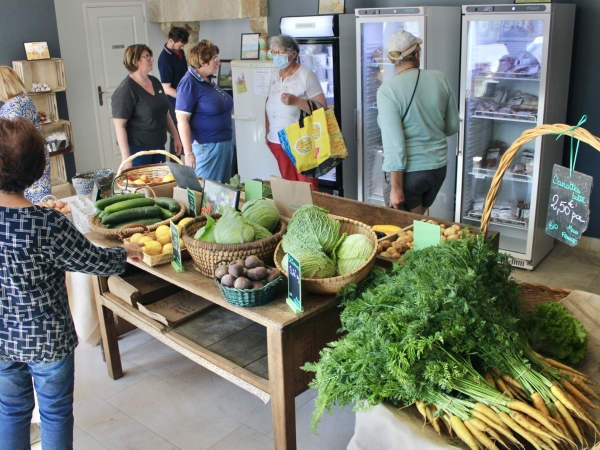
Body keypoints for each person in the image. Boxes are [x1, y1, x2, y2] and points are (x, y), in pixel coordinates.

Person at [0, 118, 144, 450]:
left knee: (10, 412)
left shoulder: (39, 218)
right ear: (37, 166)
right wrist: (123, 253)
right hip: (47, 339)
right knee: (54, 414)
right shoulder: (46, 223)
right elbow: (90, 260)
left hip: (3, 337)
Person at [377, 30, 460, 214]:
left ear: (392, 61)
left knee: (405, 233)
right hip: (437, 170)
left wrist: (396, 188)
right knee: (419, 225)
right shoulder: (439, 78)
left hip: (409, 174)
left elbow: (394, 143)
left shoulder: (388, 91)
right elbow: (452, 126)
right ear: (416, 54)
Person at [265, 35, 327, 191]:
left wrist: (296, 101)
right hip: (277, 140)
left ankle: (310, 214)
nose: (276, 56)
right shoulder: (274, 75)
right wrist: (267, 132)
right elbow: (267, 104)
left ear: (293, 54)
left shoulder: (306, 75)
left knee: (307, 187)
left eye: (280, 52)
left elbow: (322, 108)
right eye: (273, 52)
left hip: (301, 141)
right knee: (289, 186)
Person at [112, 44, 182, 171]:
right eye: (147, 57)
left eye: (151, 56)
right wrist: (126, 157)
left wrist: (176, 137)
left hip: (159, 146)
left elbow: (164, 113)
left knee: (159, 184)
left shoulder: (155, 82)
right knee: (142, 186)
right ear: (134, 61)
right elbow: (119, 126)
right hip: (138, 150)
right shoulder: (125, 90)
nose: (152, 60)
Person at [176, 40, 234, 182]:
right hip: (207, 148)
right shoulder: (188, 83)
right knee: (208, 195)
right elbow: (182, 120)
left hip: (223, 144)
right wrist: (188, 153)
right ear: (202, 62)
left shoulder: (206, 80)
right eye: (214, 58)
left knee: (223, 193)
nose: (218, 62)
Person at [0, 66, 51, 204]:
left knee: (29, 202)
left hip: (22, 160)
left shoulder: (10, 109)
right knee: (42, 200)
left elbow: (10, 140)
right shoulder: (24, 99)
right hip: (37, 154)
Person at [158, 26, 189, 156]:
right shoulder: (164, 59)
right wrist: (184, 98)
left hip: (183, 97)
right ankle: (176, 167)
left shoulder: (180, 52)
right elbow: (166, 88)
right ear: (171, 40)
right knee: (176, 136)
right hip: (173, 102)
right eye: (180, 45)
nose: (182, 48)